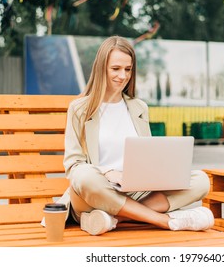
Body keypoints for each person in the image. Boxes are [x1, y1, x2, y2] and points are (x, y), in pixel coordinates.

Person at [62, 35, 214, 235]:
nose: (123, 76)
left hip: (136, 190)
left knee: (201, 180)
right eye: (115, 69)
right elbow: (73, 165)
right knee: (85, 176)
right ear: (101, 68)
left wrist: (158, 173)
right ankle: (163, 220)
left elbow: (146, 156)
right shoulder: (79, 109)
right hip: (96, 193)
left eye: (128, 69)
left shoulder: (139, 107)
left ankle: (111, 219)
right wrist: (108, 173)